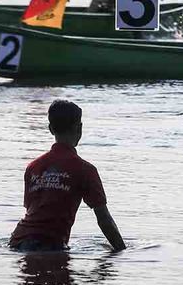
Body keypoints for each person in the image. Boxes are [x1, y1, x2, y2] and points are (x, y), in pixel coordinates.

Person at [9, 100, 125, 252]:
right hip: (49, 245)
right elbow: (104, 220)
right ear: (79, 128)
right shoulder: (85, 170)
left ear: (50, 129)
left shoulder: (33, 167)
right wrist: (123, 253)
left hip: (17, 242)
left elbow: (33, 210)